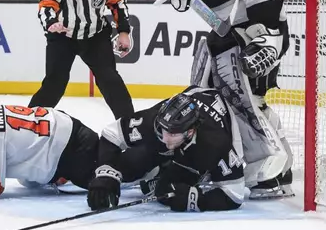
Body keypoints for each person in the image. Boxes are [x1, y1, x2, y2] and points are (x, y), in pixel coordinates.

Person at [164, 0, 294, 199]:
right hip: (226, 33)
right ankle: (254, 161)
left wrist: (267, 38)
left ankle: (273, 170)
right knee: (221, 100)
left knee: (248, 102)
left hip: (251, 34)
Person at [87, 85, 245, 212]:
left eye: (173, 134)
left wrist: (198, 200)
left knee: (168, 191)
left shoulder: (214, 143)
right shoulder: (152, 119)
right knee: (133, 161)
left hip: (219, 124)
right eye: (162, 129)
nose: (165, 138)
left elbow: (235, 193)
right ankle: (159, 169)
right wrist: (105, 172)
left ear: (190, 131)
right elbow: (111, 134)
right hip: (196, 100)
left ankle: (164, 171)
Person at [30, 0, 134, 119]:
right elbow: (46, 6)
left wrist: (124, 32)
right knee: (54, 84)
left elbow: (118, 3)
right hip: (63, 37)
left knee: (110, 80)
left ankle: (130, 125)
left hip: (95, 36)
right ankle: (28, 123)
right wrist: (51, 23)